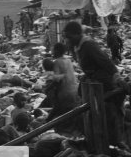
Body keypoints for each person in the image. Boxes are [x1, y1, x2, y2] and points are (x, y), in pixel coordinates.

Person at [63, 21, 127, 149]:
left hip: (104, 84)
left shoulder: (88, 45)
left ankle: (114, 144)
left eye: (69, 37)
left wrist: (118, 78)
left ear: (78, 34)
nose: (67, 40)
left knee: (108, 115)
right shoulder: (76, 46)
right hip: (93, 83)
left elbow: (106, 63)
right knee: (90, 112)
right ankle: (96, 139)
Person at [46, 42, 81, 136]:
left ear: (57, 51)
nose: (52, 52)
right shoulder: (68, 60)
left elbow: (57, 79)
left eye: (53, 50)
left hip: (65, 92)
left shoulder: (57, 62)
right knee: (70, 114)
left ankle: (48, 125)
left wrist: (49, 88)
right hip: (75, 90)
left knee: (61, 113)